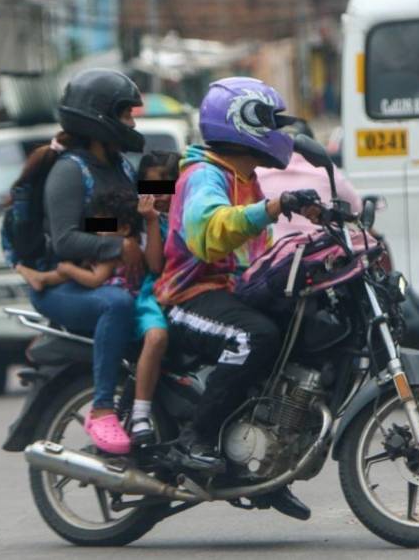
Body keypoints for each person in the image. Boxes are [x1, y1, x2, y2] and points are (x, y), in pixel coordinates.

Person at [155, 77, 321, 520]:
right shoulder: (204, 174)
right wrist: (271, 208)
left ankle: (262, 467)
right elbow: (210, 232)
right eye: (270, 121)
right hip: (187, 297)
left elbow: (258, 252)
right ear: (241, 122)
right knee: (253, 338)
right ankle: (196, 439)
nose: (279, 131)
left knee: (295, 329)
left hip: (228, 293)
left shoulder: (245, 179)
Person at [16, 68, 147, 455]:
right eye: (124, 114)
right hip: (63, 284)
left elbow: (126, 215)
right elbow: (65, 237)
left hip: (111, 276)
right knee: (117, 306)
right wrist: (118, 246)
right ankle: (103, 408)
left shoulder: (121, 165)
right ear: (97, 117)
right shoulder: (69, 171)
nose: (131, 123)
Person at [128, 151, 179, 445]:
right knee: (157, 337)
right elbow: (156, 265)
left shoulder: (191, 212)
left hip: (188, 289)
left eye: (164, 188)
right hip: (155, 293)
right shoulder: (144, 220)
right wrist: (148, 222)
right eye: (149, 189)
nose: (157, 197)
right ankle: (140, 414)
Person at [255, 119, 362, 242]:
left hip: (269, 255)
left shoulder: (259, 170)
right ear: (312, 144)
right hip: (320, 253)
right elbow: (356, 207)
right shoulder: (325, 168)